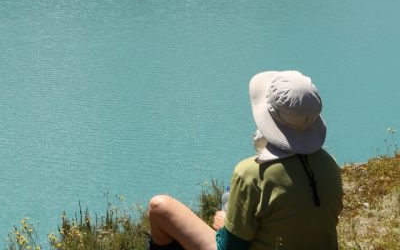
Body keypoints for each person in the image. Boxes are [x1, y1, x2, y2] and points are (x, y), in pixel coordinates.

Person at [147, 70, 343, 250]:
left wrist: (225, 225)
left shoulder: (251, 173)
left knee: (159, 207)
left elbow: (230, 248)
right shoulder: (329, 165)